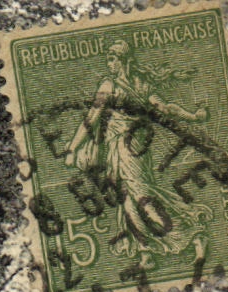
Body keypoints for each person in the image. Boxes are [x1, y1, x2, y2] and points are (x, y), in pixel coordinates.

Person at [64, 40, 210, 268]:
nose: (109, 63)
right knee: (127, 198)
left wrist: (193, 116)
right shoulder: (113, 85)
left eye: (113, 59)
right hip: (118, 149)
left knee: (142, 197)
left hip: (133, 148)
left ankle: (193, 235)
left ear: (126, 61)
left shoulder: (130, 85)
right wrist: (72, 148)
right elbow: (91, 119)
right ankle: (145, 253)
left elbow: (165, 108)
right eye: (108, 59)